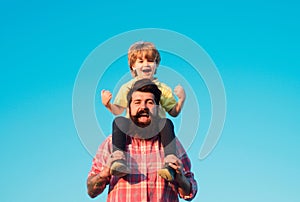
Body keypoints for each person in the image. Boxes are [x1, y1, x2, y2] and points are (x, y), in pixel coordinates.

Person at [87, 79, 197, 201]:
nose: (143, 107)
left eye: (149, 102)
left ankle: (168, 166)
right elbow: (91, 190)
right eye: (137, 102)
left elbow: (190, 192)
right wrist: (105, 172)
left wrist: (180, 179)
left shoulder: (171, 143)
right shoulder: (111, 142)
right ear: (129, 108)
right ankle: (119, 162)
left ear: (157, 108)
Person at [101, 41, 186, 180]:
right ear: (133, 66)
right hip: (134, 127)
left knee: (167, 123)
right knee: (118, 121)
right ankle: (118, 160)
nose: (146, 64)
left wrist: (181, 100)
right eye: (140, 61)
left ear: (156, 65)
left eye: (150, 60)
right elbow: (118, 111)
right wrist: (108, 104)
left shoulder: (163, 88)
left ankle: (170, 163)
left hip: (155, 128)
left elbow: (173, 112)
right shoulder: (127, 87)